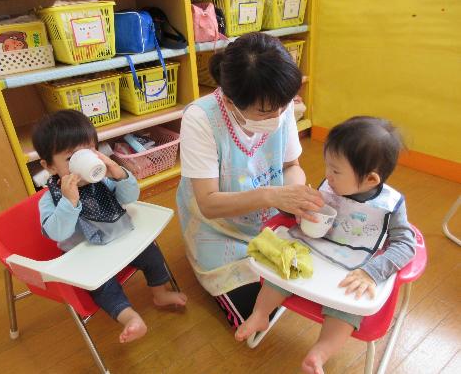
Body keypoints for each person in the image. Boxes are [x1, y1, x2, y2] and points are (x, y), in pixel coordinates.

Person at [235, 117, 416, 374]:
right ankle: (261, 314)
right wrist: (303, 213)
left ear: (371, 180)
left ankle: (319, 354)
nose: (327, 176)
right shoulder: (333, 186)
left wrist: (372, 272)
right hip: (313, 253)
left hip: (350, 270)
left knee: (345, 310)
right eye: (327, 167)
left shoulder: (389, 206)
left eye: (336, 171)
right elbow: (307, 215)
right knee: (278, 276)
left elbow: (405, 245)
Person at [176, 32, 324, 328]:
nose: (280, 115)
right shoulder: (200, 118)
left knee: (313, 277)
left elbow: (292, 165)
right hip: (216, 226)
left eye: (284, 106)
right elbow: (208, 204)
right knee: (256, 310)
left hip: (267, 217)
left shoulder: (277, 103)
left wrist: (296, 196)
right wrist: (273, 196)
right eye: (267, 112)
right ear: (230, 101)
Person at [32, 110, 187, 344]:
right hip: (86, 256)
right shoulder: (50, 199)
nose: (82, 162)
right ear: (50, 166)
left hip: (119, 239)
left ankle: (160, 293)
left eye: (88, 152)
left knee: (152, 253)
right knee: (103, 286)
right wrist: (69, 202)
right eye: (70, 158)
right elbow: (57, 233)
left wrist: (119, 174)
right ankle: (129, 318)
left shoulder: (102, 180)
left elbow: (130, 197)